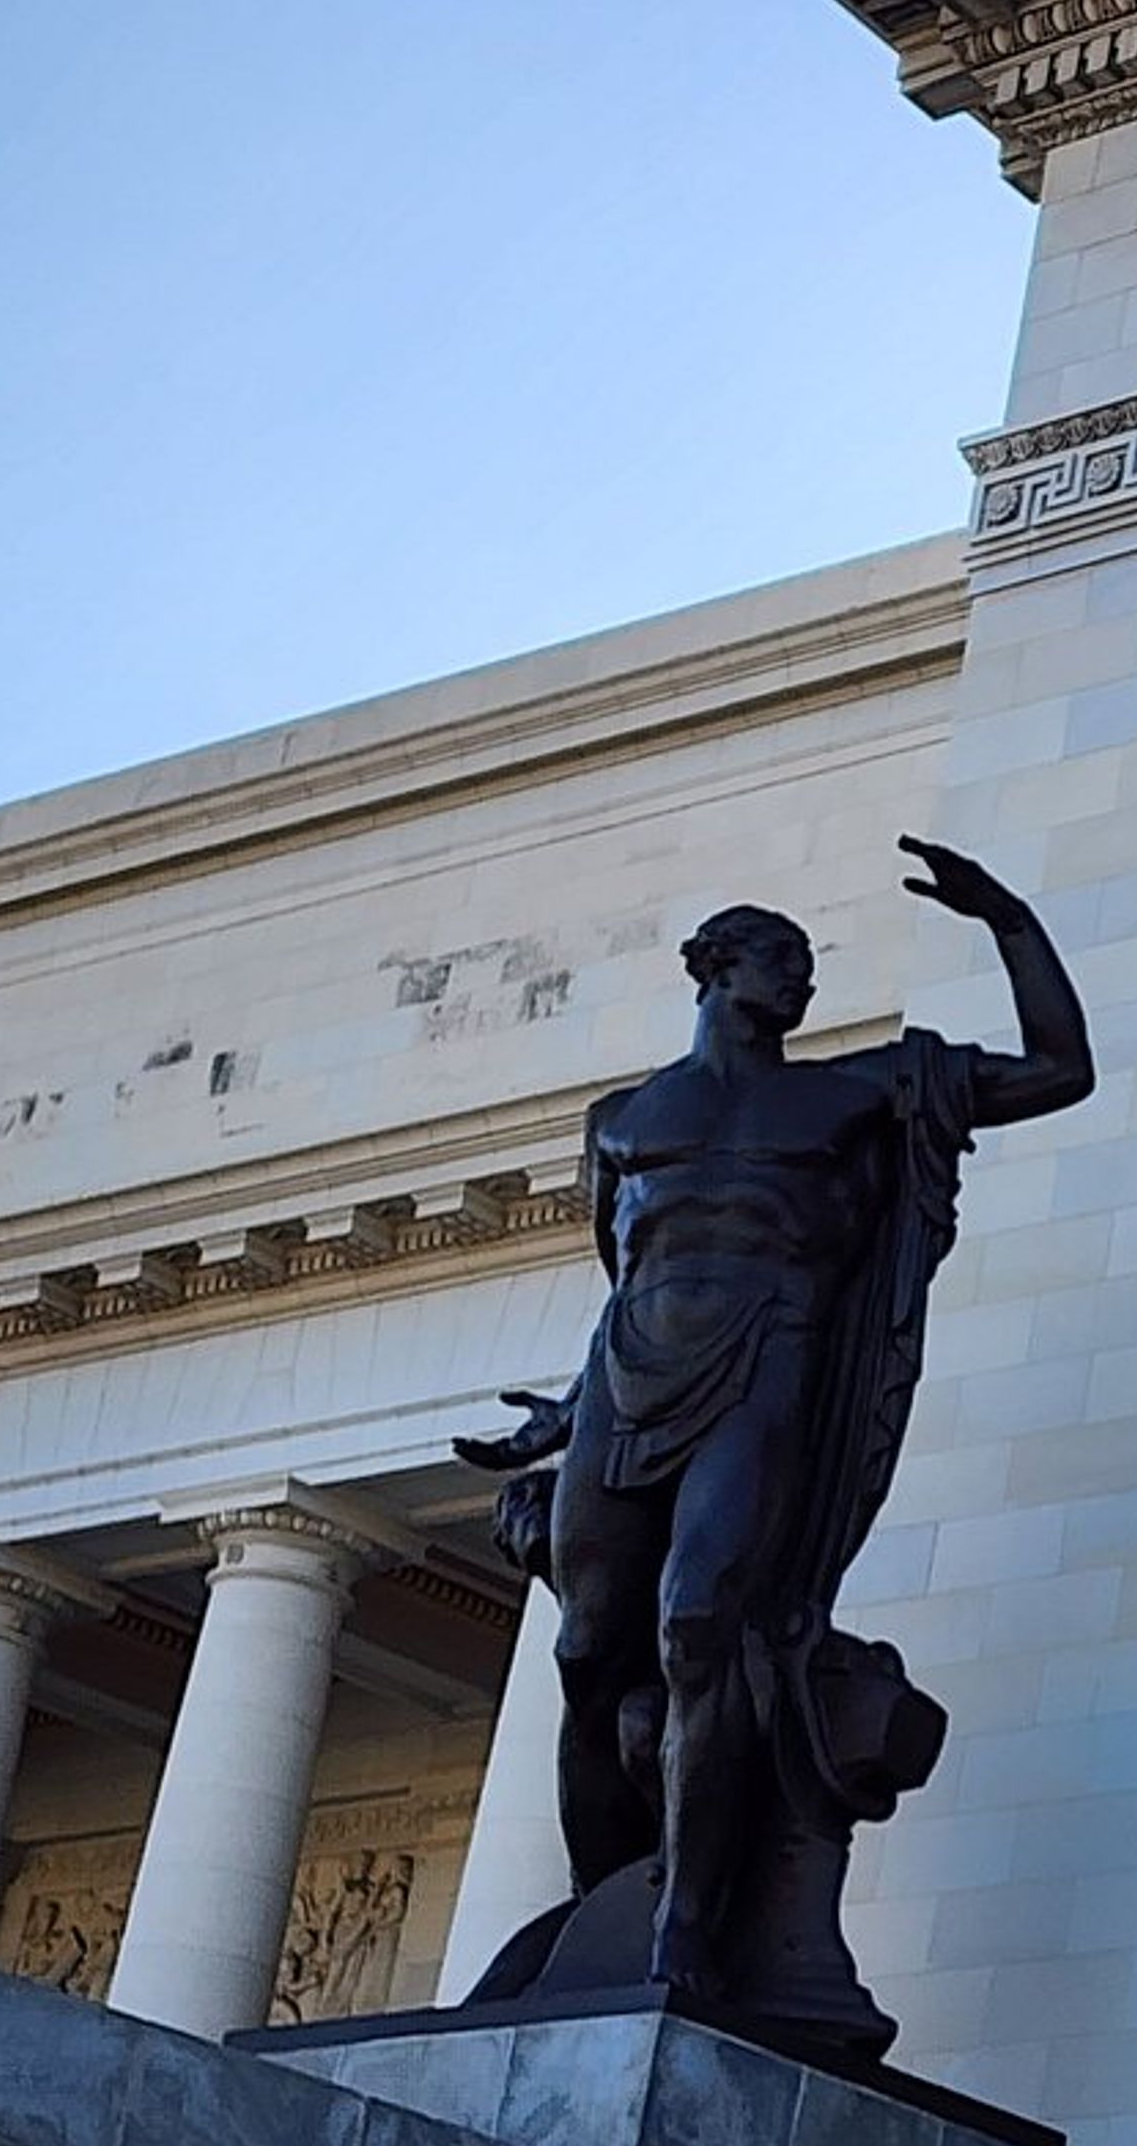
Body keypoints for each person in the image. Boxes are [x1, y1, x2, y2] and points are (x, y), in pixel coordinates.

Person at [459, 837, 1089, 2033]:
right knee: (590, 1655)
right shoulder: (622, 1120)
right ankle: (607, 1903)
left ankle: (685, 1927)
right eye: (782, 960)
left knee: (703, 1621)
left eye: (806, 964)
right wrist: (560, 1416)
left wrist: (1007, 918)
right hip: (627, 1389)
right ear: (716, 970)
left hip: (769, 1371)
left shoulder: (850, 1096)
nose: (802, 981)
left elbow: (1061, 1068)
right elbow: (628, 1280)